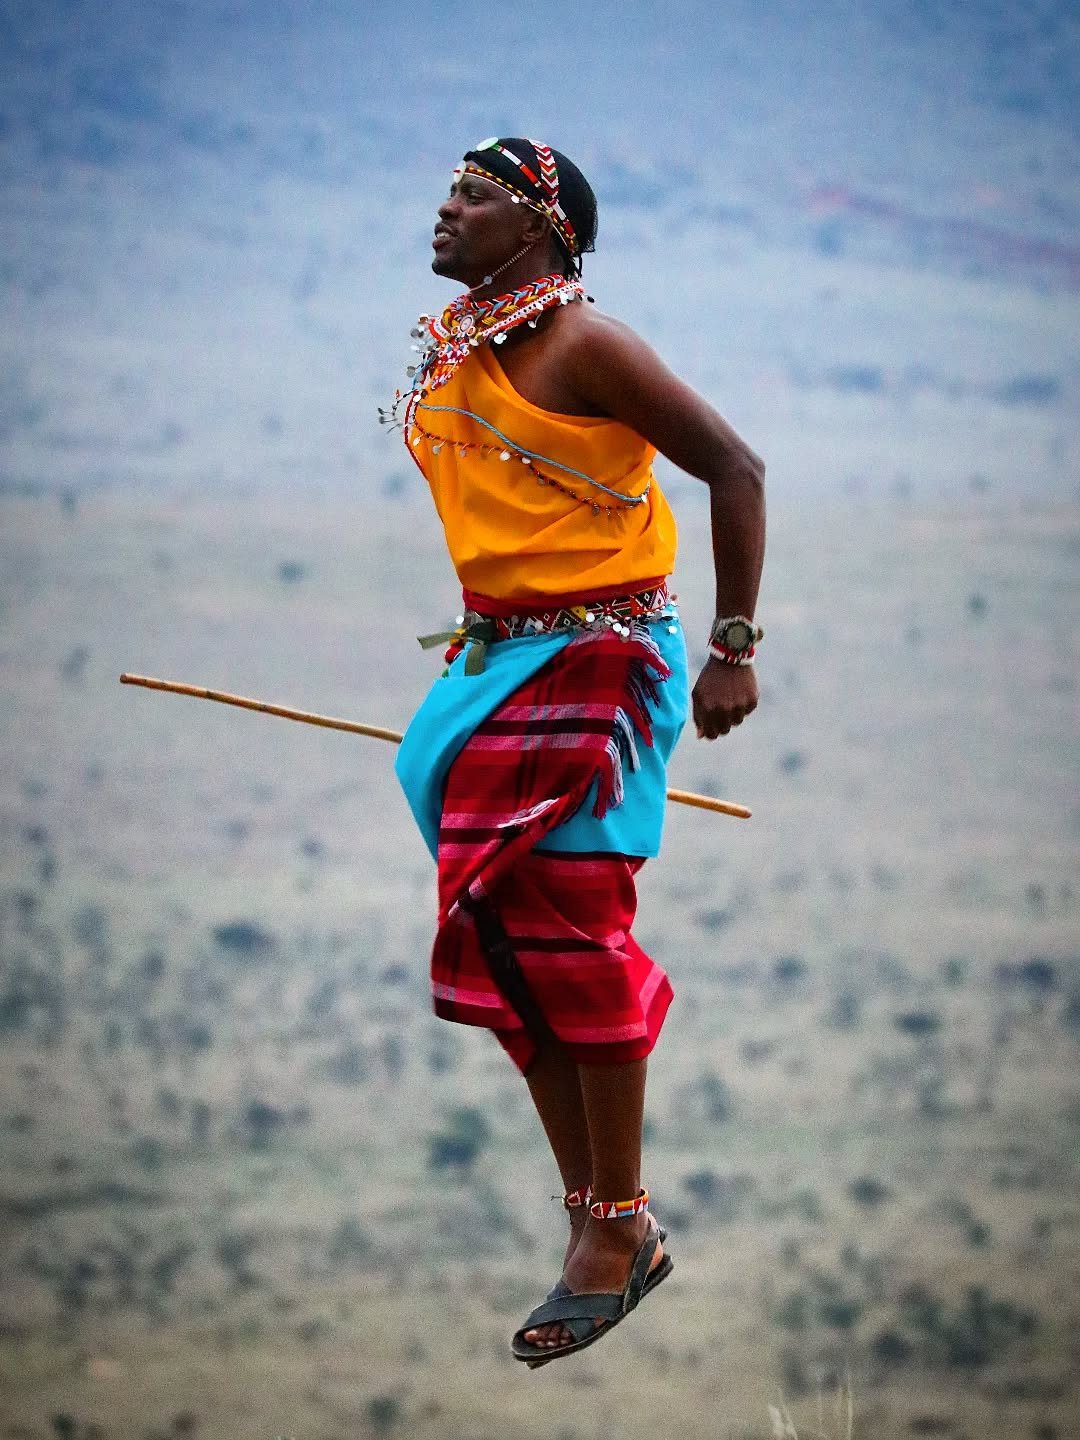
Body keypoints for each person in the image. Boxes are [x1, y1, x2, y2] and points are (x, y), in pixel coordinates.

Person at [385, 137, 765, 1365]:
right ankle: (608, 1218)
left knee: (567, 932)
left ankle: (613, 1227)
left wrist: (734, 646)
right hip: (497, 667)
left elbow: (734, 465)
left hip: (600, 666)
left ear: (542, 224)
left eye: (476, 196)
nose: (447, 209)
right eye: (447, 191)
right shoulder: (464, 352)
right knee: (501, 936)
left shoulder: (585, 346)